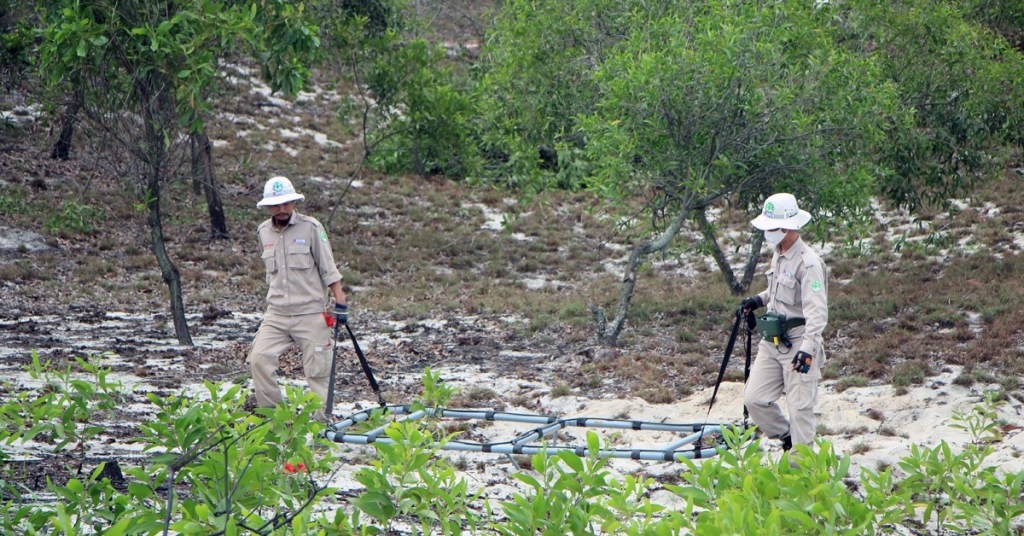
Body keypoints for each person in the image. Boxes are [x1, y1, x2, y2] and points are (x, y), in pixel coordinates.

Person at [247, 176, 348, 421]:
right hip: (277, 313)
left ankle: (321, 424)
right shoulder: (263, 231)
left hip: (310, 312)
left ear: (294, 202)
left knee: (317, 370)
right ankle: (274, 419)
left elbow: (328, 268)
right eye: (275, 204)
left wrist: (340, 302)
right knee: (258, 359)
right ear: (267, 206)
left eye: (285, 203)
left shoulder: (311, 228)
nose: (281, 209)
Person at [740, 193, 828, 453]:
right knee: (754, 399)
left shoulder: (809, 264)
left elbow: (817, 312)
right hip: (772, 342)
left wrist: (807, 349)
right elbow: (777, 291)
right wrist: (757, 299)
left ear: (789, 227)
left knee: (800, 409)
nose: (767, 234)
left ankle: (801, 467)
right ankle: (786, 437)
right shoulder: (778, 254)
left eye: (772, 228)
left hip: (798, 341)